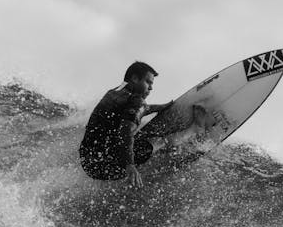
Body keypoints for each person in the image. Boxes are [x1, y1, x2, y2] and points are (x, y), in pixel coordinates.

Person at [79, 61, 209, 188]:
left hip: (90, 163)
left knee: (136, 137)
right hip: (109, 165)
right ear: (135, 78)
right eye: (148, 82)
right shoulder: (136, 101)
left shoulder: (113, 92)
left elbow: (135, 110)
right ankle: (194, 130)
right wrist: (130, 165)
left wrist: (160, 107)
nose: (151, 88)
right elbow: (126, 132)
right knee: (159, 141)